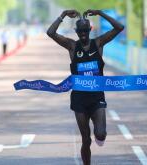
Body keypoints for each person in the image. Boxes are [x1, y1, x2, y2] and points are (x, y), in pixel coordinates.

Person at [46, 9, 124, 165]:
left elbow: (119, 27)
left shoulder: (98, 43)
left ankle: (99, 134)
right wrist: (63, 15)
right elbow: (51, 32)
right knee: (86, 139)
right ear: (76, 31)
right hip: (79, 100)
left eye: (85, 30)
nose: (82, 33)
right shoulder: (72, 46)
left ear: (90, 30)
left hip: (97, 98)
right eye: (79, 31)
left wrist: (101, 13)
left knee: (100, 134)